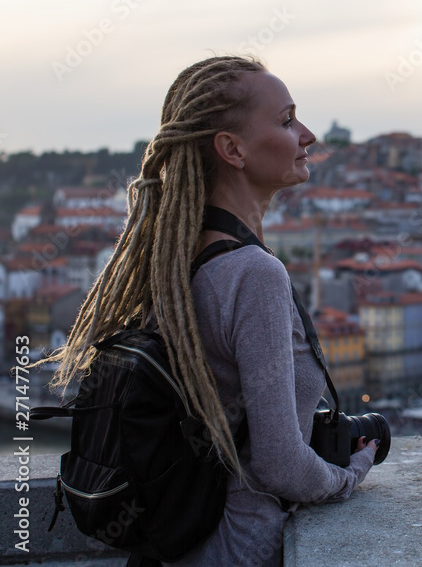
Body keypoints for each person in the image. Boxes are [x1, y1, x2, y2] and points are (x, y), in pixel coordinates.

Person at [48, 56, 377, 566]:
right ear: (232, 149)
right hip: (239, 547)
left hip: (178, 547)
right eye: (287, 120)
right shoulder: (254, 274)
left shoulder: (176, 259)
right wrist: (349, 474)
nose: (307, 135)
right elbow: (278, 465)